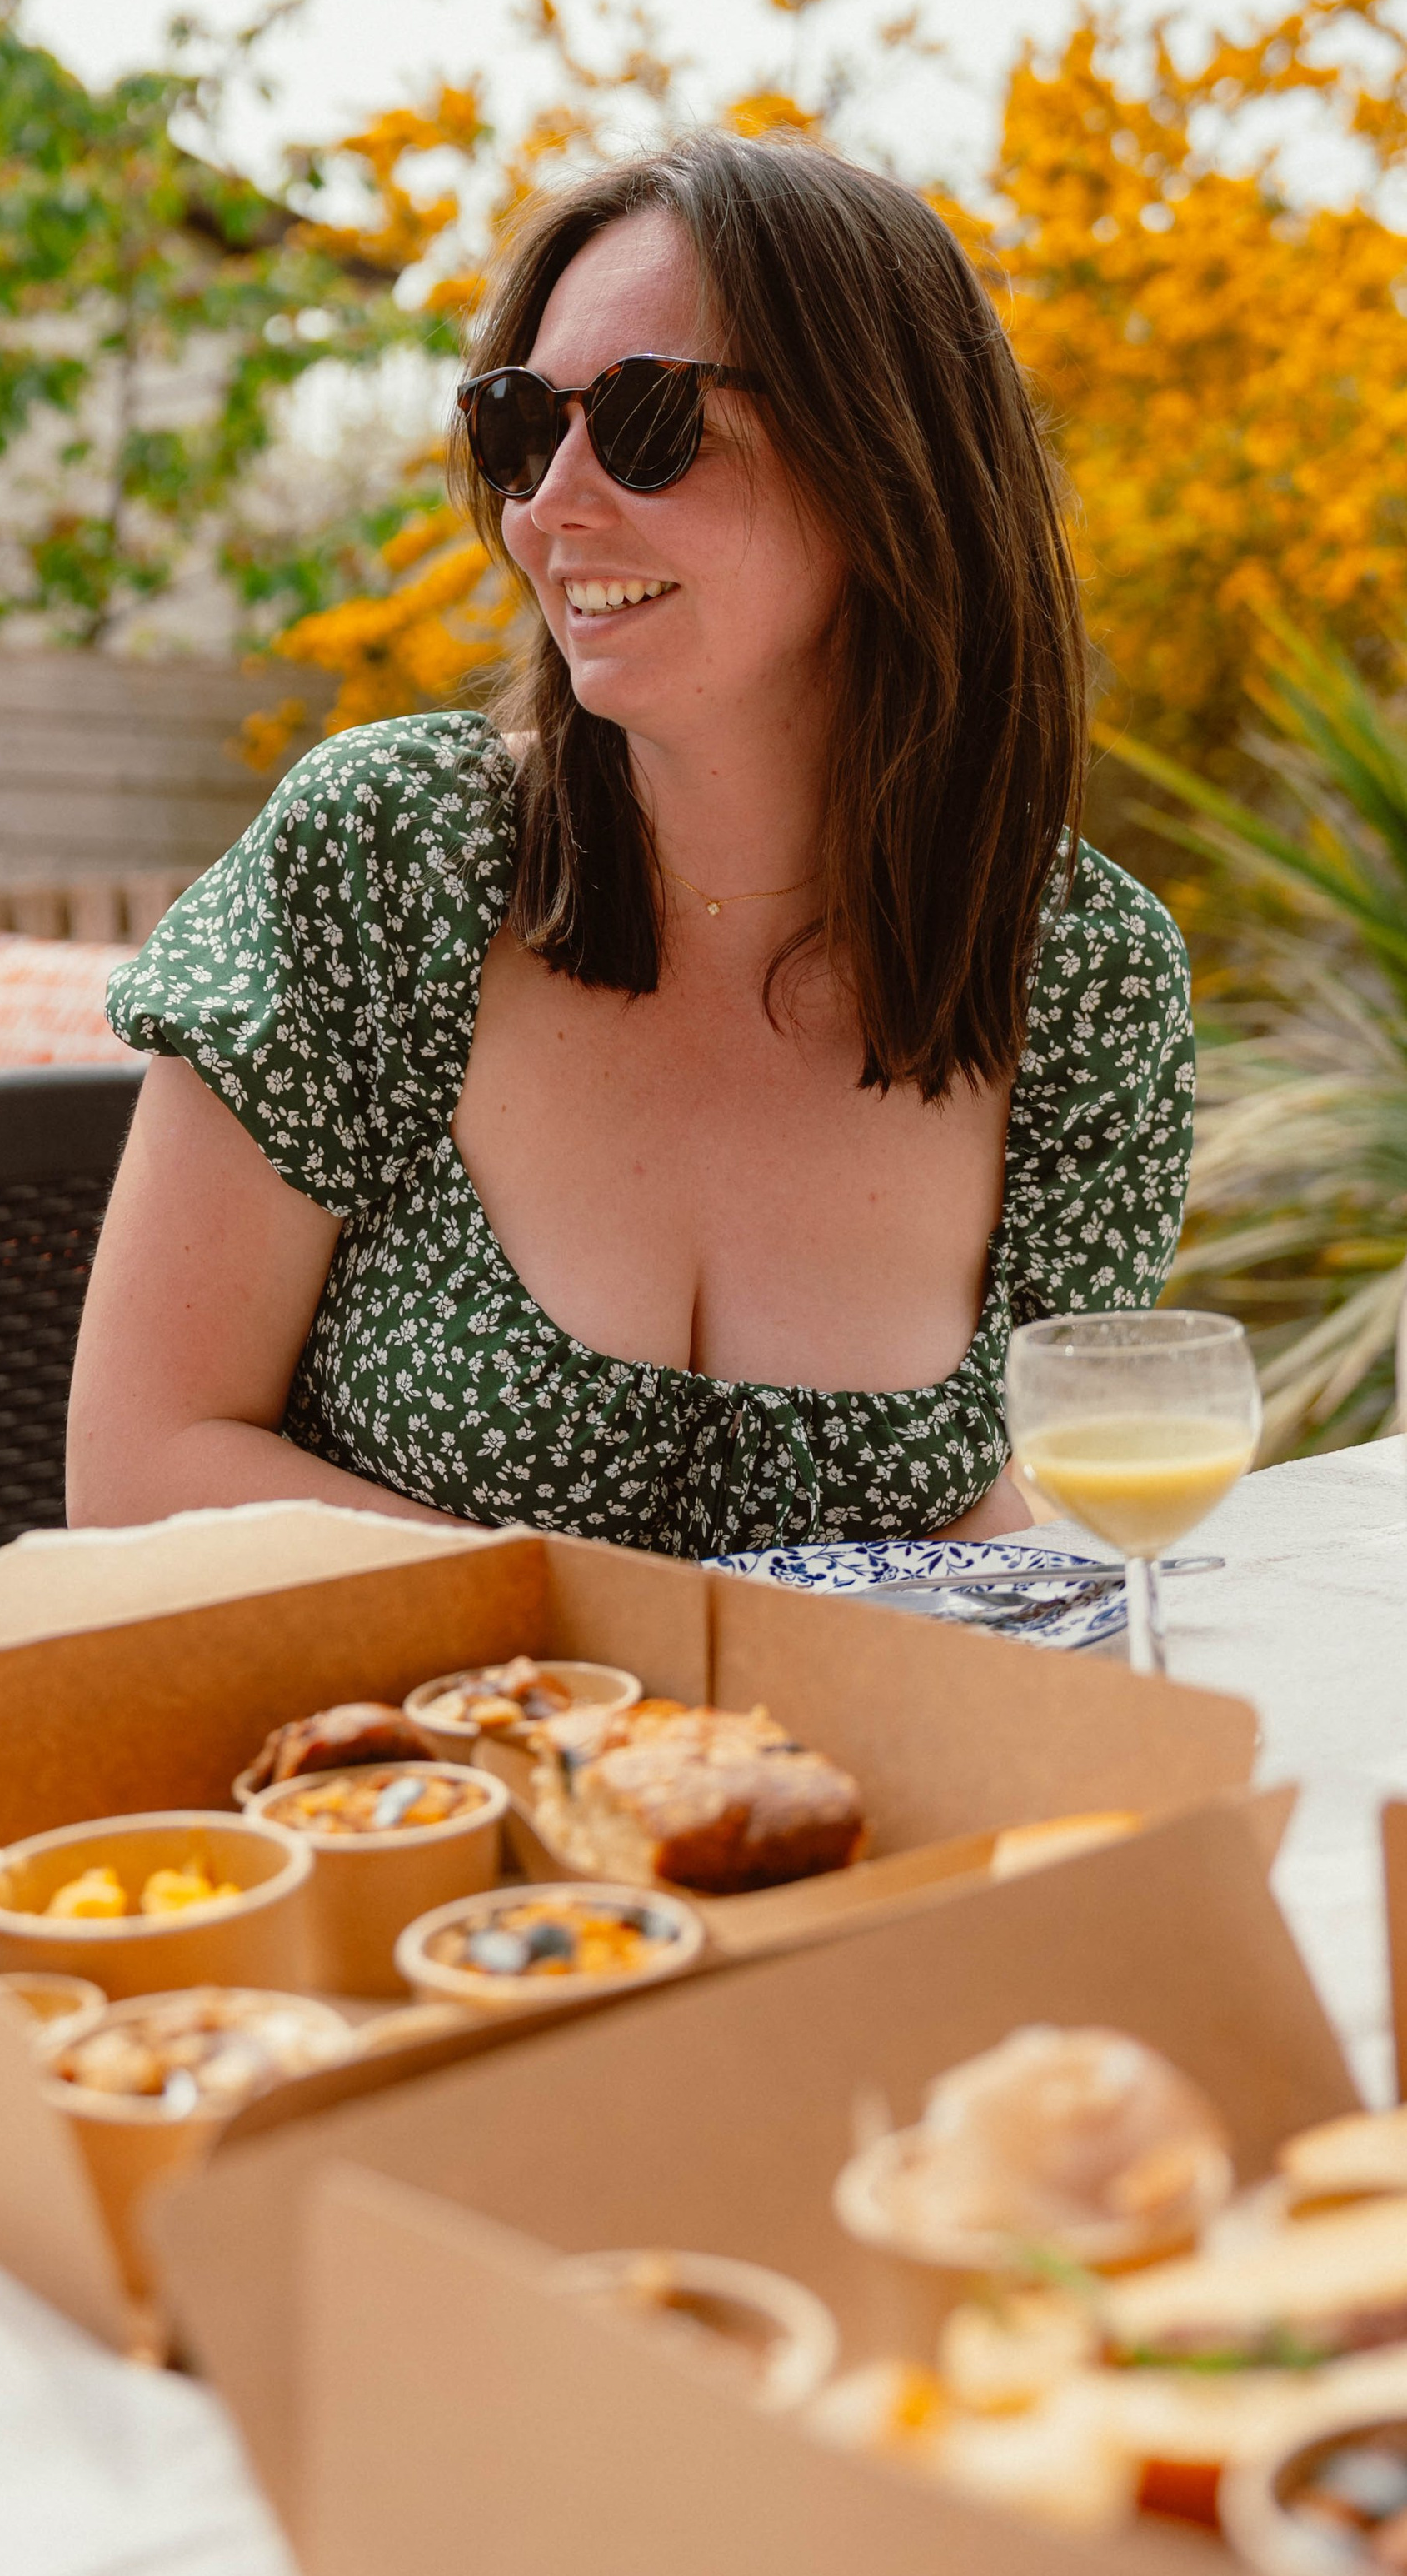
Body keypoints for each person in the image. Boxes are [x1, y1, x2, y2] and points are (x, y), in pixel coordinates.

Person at [65, 128, 1193, 1558]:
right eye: (524, 428)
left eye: (650, 420)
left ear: (889, 459)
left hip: (839, 1774)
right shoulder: (388, 858)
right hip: (384, 1772)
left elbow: (1036, 1510)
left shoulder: (1087, 981)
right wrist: (641, 1655)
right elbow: (142, 1466)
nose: (550, 505)